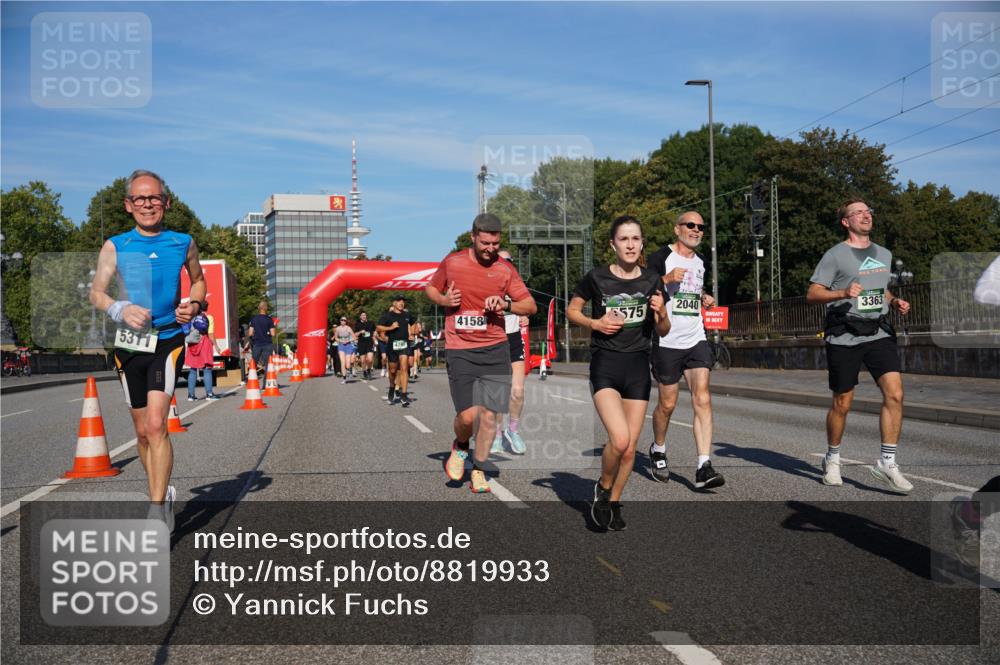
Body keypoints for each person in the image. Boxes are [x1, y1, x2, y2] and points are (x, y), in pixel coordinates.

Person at [90, 169, 205, 530]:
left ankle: (156, 510)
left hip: (167, 339)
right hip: (129, 344)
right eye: (140, 199)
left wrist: (196, 305)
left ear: (166, 202)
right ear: (128, 205)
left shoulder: (182, 241)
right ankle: (161, 489)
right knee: (141, 432)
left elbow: (198, 280)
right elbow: (97, 291)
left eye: (154, 198)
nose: (147, 205)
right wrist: (118, 308)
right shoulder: (115, 245)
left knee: (157, 424)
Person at [568, 215, 669, 530]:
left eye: (635, 239)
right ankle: (603, 486)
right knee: (620, 439)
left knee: (629, 449)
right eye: (623, 239)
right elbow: (572, 310)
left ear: (641, 244)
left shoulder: (653, 279)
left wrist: (662, 312)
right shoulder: (596, 278)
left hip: (638, 366)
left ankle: (612, 502)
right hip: (606, 365)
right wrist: (595, 323)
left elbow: (663, 330)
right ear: (613, 244)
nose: (630, 244)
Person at [806, 198, 912, 493]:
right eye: (859, 213)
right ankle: (833, 458)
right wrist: (841, 291)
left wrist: (894, 300)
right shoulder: (835, 255)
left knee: (896, 393)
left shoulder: (884, 253)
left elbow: (880, 288)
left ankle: (887, 463)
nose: (866, 216)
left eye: (868, 211)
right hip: (845, 334)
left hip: (878, 332)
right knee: (843, 402)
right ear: (846, 221)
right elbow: (812, 293)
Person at [426, 213, 536, 493]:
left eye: (495, 244)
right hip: (461, 348)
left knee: (489, 417)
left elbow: (530, 305)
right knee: (467, 417)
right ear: (473, 237)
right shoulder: (453, 262)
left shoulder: (504, 270)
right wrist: (443, 299)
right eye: (485, 242)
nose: (490, 248)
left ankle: (479, 469)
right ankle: (461, 446)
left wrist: (506, 304)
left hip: (495, 348)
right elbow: (430, 288)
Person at [646, 211, 724, 490]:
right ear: (676, 228)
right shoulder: (659, 258)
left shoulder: (702, 261)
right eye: (691, 225)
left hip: (695, 338)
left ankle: (704, 464)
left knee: (702, 397)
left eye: (701, 227)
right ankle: (658, 448)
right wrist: (664, 280)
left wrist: (704, 298)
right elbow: (640, 288)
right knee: (667, 404)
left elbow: (692, 292)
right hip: (666, 340)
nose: (696, 230)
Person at [491, 250, 530, 455]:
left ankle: (512, 431)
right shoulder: (485, 283)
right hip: (493, 340)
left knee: (517, 391)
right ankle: (497, 434)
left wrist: (524, 315)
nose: (505, 264)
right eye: (501, 260)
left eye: (508, 262)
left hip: (513, 339)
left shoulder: (517, 286)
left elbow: (528, 305)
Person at [377, 296, 413, 407]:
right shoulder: (388, 316)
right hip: (392, 346)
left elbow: (414, 322)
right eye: (399, 301)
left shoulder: (407, 315)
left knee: (404, 368)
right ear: (394, 303)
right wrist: (391, 328)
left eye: (403, 301)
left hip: (404, 345)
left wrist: (412, 332)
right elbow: (378, 328)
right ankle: (392, 387)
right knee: (392, 371)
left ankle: (403, 394)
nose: (401, 303)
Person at [185, 309, 221, 401]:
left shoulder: (191, 317)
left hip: (192, 344)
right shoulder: (208, 318)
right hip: (205, 343)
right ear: (207, 307)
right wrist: (216, 346)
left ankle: (190, 395)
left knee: (193, 370)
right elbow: (210, 334)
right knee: (207, 369)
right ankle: (209, 394)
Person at [247, 301, 276, 371]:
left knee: (254, 363)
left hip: (257, 344)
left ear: (258, 308)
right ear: (266, 308)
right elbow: (273, 334)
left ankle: (252, 379)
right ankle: (266, 381)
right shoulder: (269, 319)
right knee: (268, 364)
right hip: (267, 344)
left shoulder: (254, 319)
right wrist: (268, 332)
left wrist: (256, 333)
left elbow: (250, 333)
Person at [334, 316, 357, 383]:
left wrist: (348, 340)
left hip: (348, 346)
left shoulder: (348, 328)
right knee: (342, 363)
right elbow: (336, 338)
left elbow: (354, 337)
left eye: (344, 320)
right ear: (340, 321)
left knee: (347, 365)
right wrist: (341, 341)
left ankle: (349, 370)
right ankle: (344, 378)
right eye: (342, 320)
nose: (343, 321)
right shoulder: (338, 328)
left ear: (346, 321)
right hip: (341, 346)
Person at [355, 311, 376, 380]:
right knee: (363, 360)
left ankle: (369, 370)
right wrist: (361, 332)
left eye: (365, 315)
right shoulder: (357, 324)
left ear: (366, 316)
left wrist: (374, 338)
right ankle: (364, 371)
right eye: (362, 315)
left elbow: (375, 331)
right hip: (361, 343)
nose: (364, 316)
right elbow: (355, 334)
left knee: (370, 359)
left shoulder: (371, 323)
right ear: (360, 317)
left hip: (370, 343)